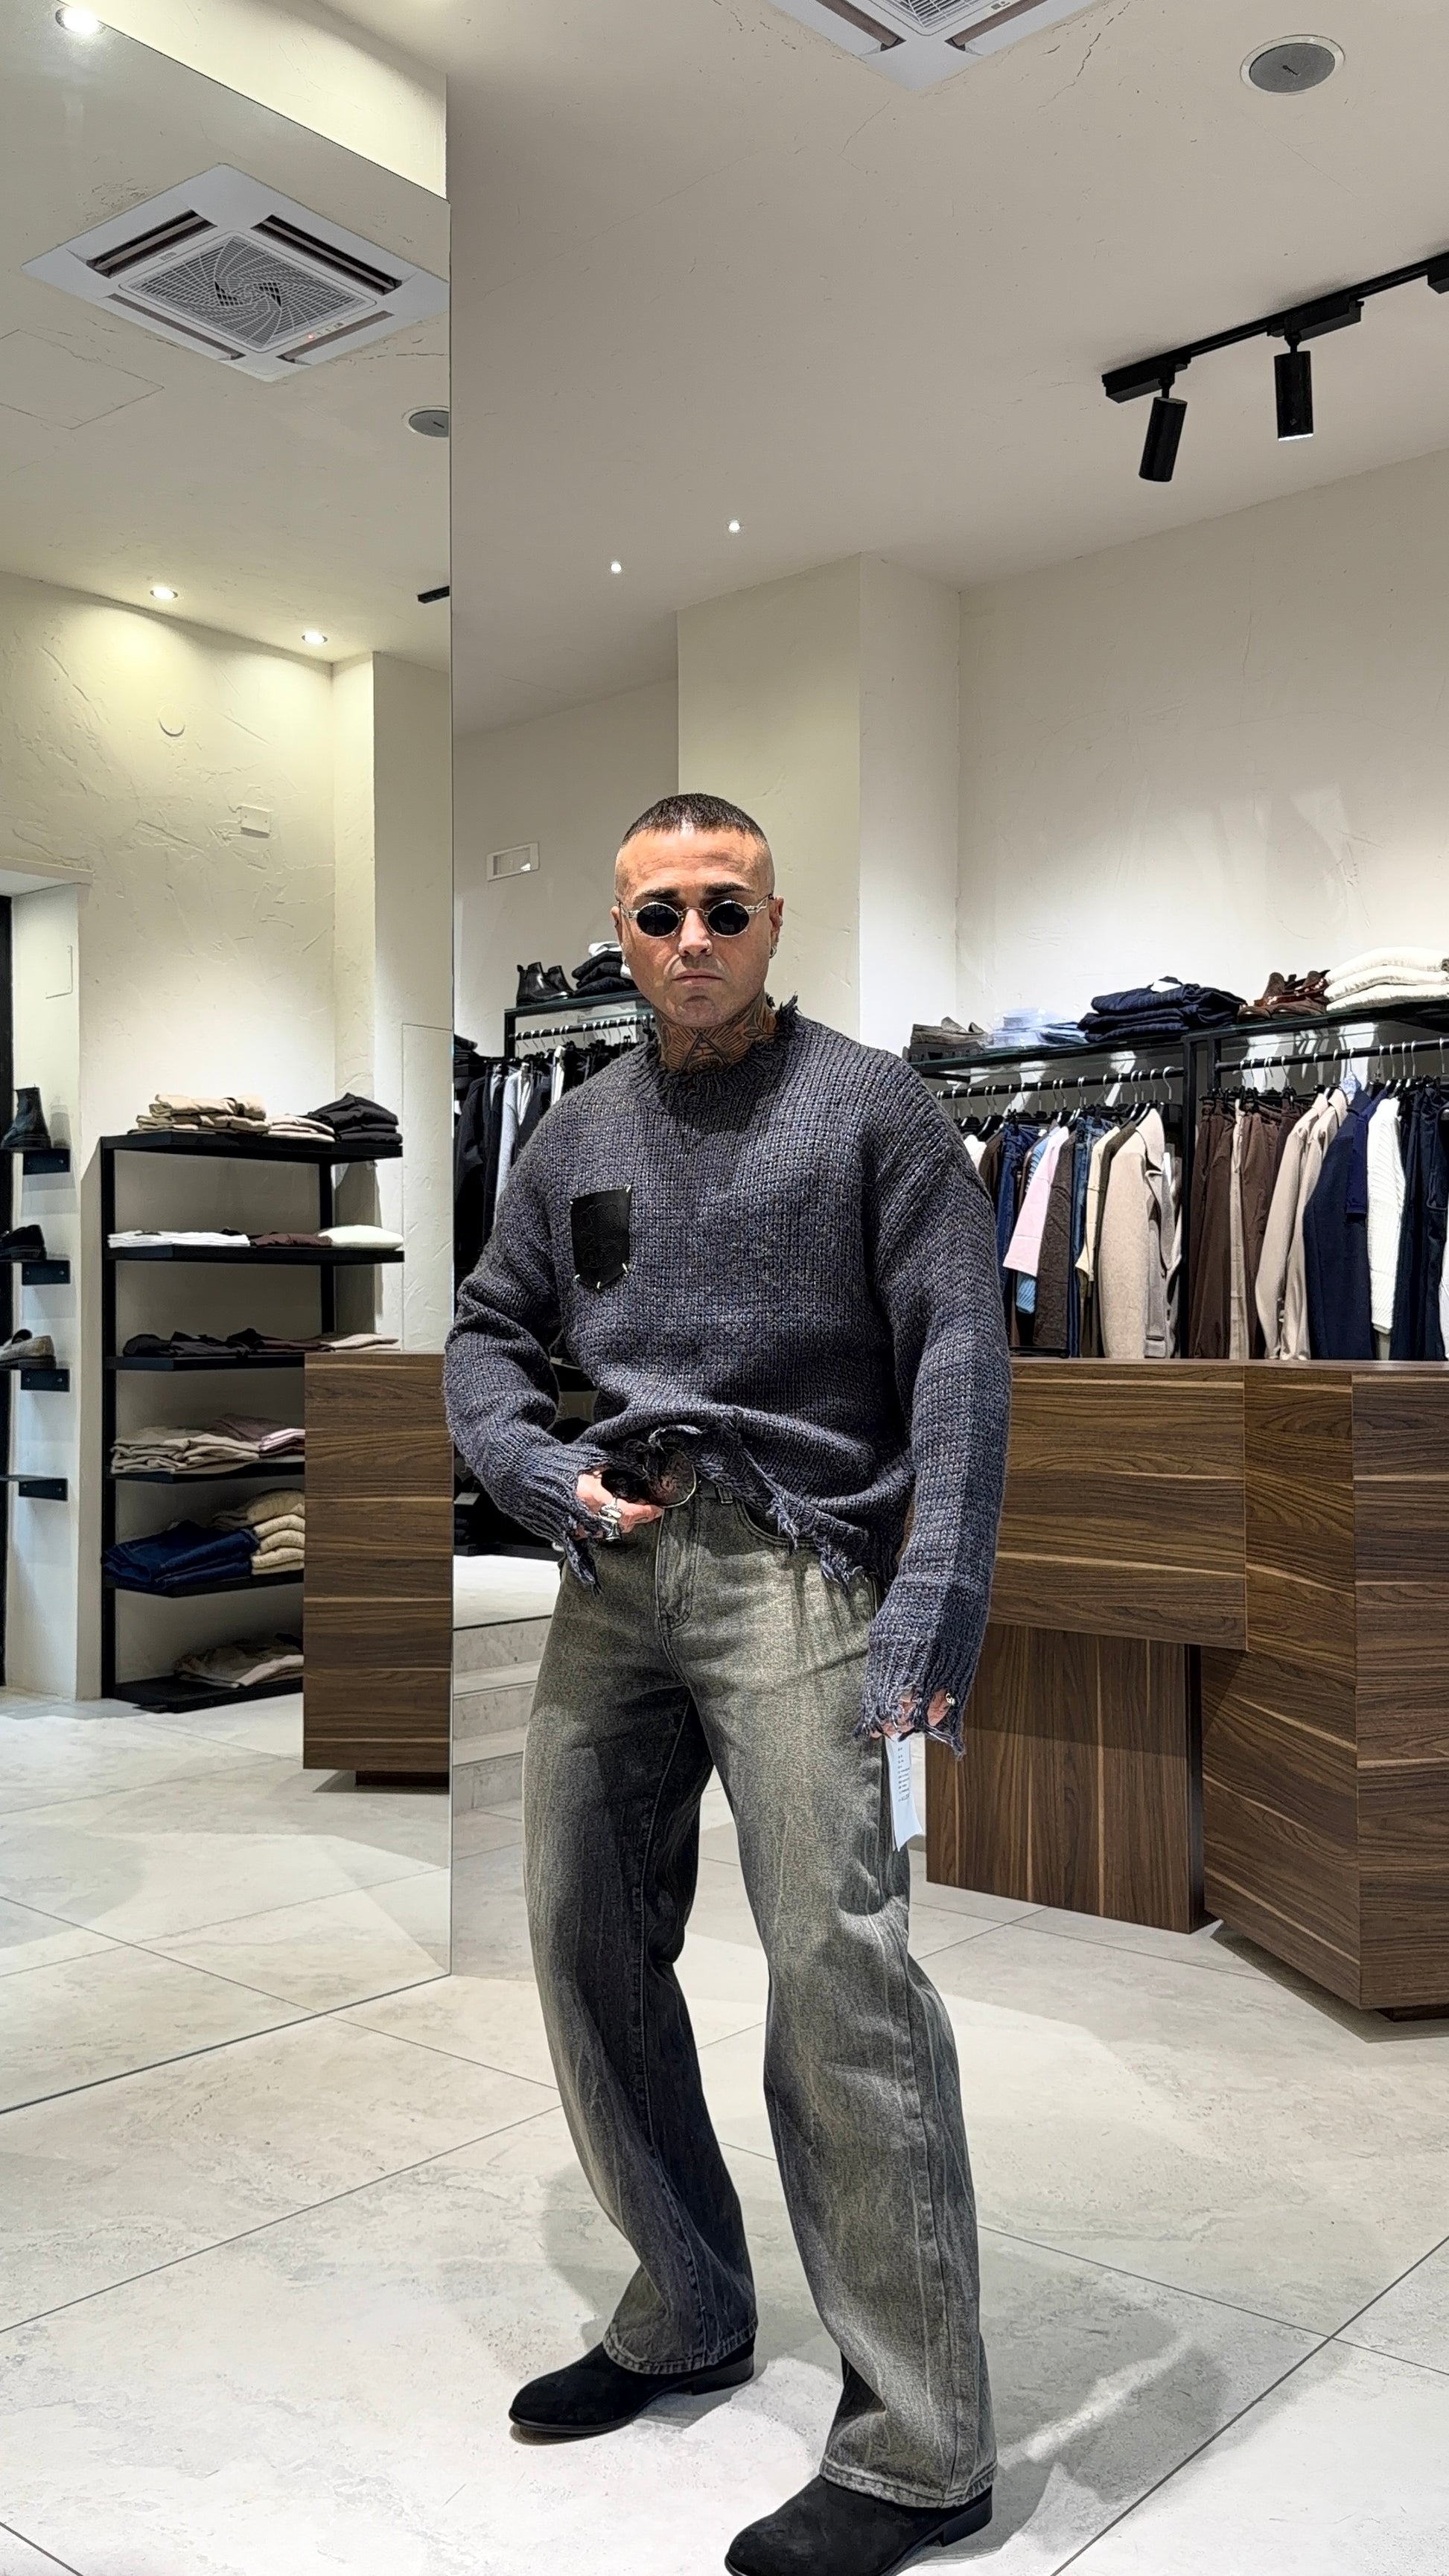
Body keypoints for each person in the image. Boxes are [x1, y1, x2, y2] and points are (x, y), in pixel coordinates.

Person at [445, 791, 1010, 2576]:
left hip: (801, 1563)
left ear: (774, 920)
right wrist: (534, 1467)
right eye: (657, 912)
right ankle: (685, 2301)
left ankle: (919, 2442)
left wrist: (933, 1600)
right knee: (579, 1928)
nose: (691, 939)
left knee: (841, 1967)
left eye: (723, 908)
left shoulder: (877, 1110)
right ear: (619, 931)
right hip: (616, 1563)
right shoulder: (572, 1132)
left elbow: (962, 1359)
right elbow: (486, 1329)